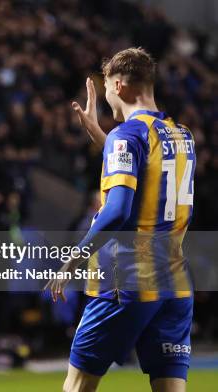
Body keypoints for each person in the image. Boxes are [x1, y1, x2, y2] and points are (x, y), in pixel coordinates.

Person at [46, 48, 195, 392]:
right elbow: (149, 180)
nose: (106, 95)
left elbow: (117, 211)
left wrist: (75, 258)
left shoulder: (125, 136)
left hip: (126, 278)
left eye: (107, 88)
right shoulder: (181, 135)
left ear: (119, 84)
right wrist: (102, 136)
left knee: (78, 384)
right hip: (174, 280)